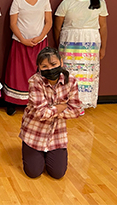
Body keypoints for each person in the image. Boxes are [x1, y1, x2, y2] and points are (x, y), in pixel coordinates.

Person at [19, 47, 82, 179]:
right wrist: (61, 107)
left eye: (53, 64)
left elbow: (76, 110)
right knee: (33, 172)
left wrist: (50, 110)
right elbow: (41, 114)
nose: (50, 69)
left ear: (61, 62)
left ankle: (47, 153)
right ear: (39, 68)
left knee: (58, 174)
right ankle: (29, 148)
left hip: (57, 134)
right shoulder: (35, 81)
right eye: (44, 66)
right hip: (34, 133)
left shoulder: (71, 81)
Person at [54, 0, 108, 113]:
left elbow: (103, 26)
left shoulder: (99, 2)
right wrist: (58, 45)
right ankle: (66, 101)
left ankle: (82, 102)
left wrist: (103, 47)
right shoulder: (67, 2)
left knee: (86, 74)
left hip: (90, 42)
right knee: (69, 73)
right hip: (70, 42)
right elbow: (57, 26)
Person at [3, 0, 52, 116]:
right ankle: (13, 102)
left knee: (39, 73)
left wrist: (40, 37)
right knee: (17, 73)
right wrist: (23, 39)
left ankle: (38, 102)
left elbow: (48, 22)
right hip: (20, 43)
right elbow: (13, 23)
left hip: (40, 43)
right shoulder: (17, 1)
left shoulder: (44, 0)